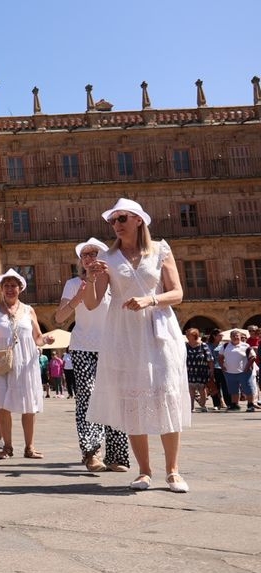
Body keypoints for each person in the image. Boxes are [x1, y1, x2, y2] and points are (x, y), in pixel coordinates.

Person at [85, 198, 191, 492]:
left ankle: (173, 471)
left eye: (121, 219)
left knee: (166, 393)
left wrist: (150, 299)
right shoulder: (108, 256)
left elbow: (178, 293)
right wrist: (91, 278)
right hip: (124, 334)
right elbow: (93, 304)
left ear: (138, 220)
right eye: (113, 221)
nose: (115, 225)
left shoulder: (160, 250)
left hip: (159, 330)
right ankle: (144, 471)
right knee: (133, 401)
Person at [55, 238, 129, 472]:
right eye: (85, 255)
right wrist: (79, 294)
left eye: (94, 253)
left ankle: (117, 455)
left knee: (116, 398)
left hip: (113, 345)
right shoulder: (73, 283)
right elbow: (59, 318)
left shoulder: (116, 281)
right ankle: (92, 453)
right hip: (83, 347)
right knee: (87, 397)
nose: (89, 257)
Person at [0, 270, 52, 460]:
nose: (10, 289)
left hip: (26, 360)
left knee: (29, 404)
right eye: (6, 286)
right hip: (3, 360)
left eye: (13, 286)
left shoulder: (29, 310)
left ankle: (30, 447)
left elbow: (37, 337)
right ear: (2, 289)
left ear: (20, 288)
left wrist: (46, 339)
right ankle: (7, 447)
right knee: (2, 405)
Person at [219, 329, 258, 412]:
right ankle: (235, 405)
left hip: (244, 372)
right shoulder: (225, 346)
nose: (235, 337)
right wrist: (222, 366)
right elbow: (220, 356)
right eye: (233, 336)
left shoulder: (246, 346)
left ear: (240, 337)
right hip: (229, 372)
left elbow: (253, 357)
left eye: (237, 336)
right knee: (233, 389)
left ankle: (250, 404)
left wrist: (247, 367)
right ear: (230, 337)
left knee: (248, 388)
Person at [185, 328, 217, 413]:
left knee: (201, 389)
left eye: (189, 335)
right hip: (189, 371)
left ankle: (203, 405)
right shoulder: (185, 346)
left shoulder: (203, 345)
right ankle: (191, 407)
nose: (187, 336)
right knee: (190, 389)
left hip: (201, 371)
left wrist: (211, 370)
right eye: (187, 335)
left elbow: (210, 359)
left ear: (194, 336)